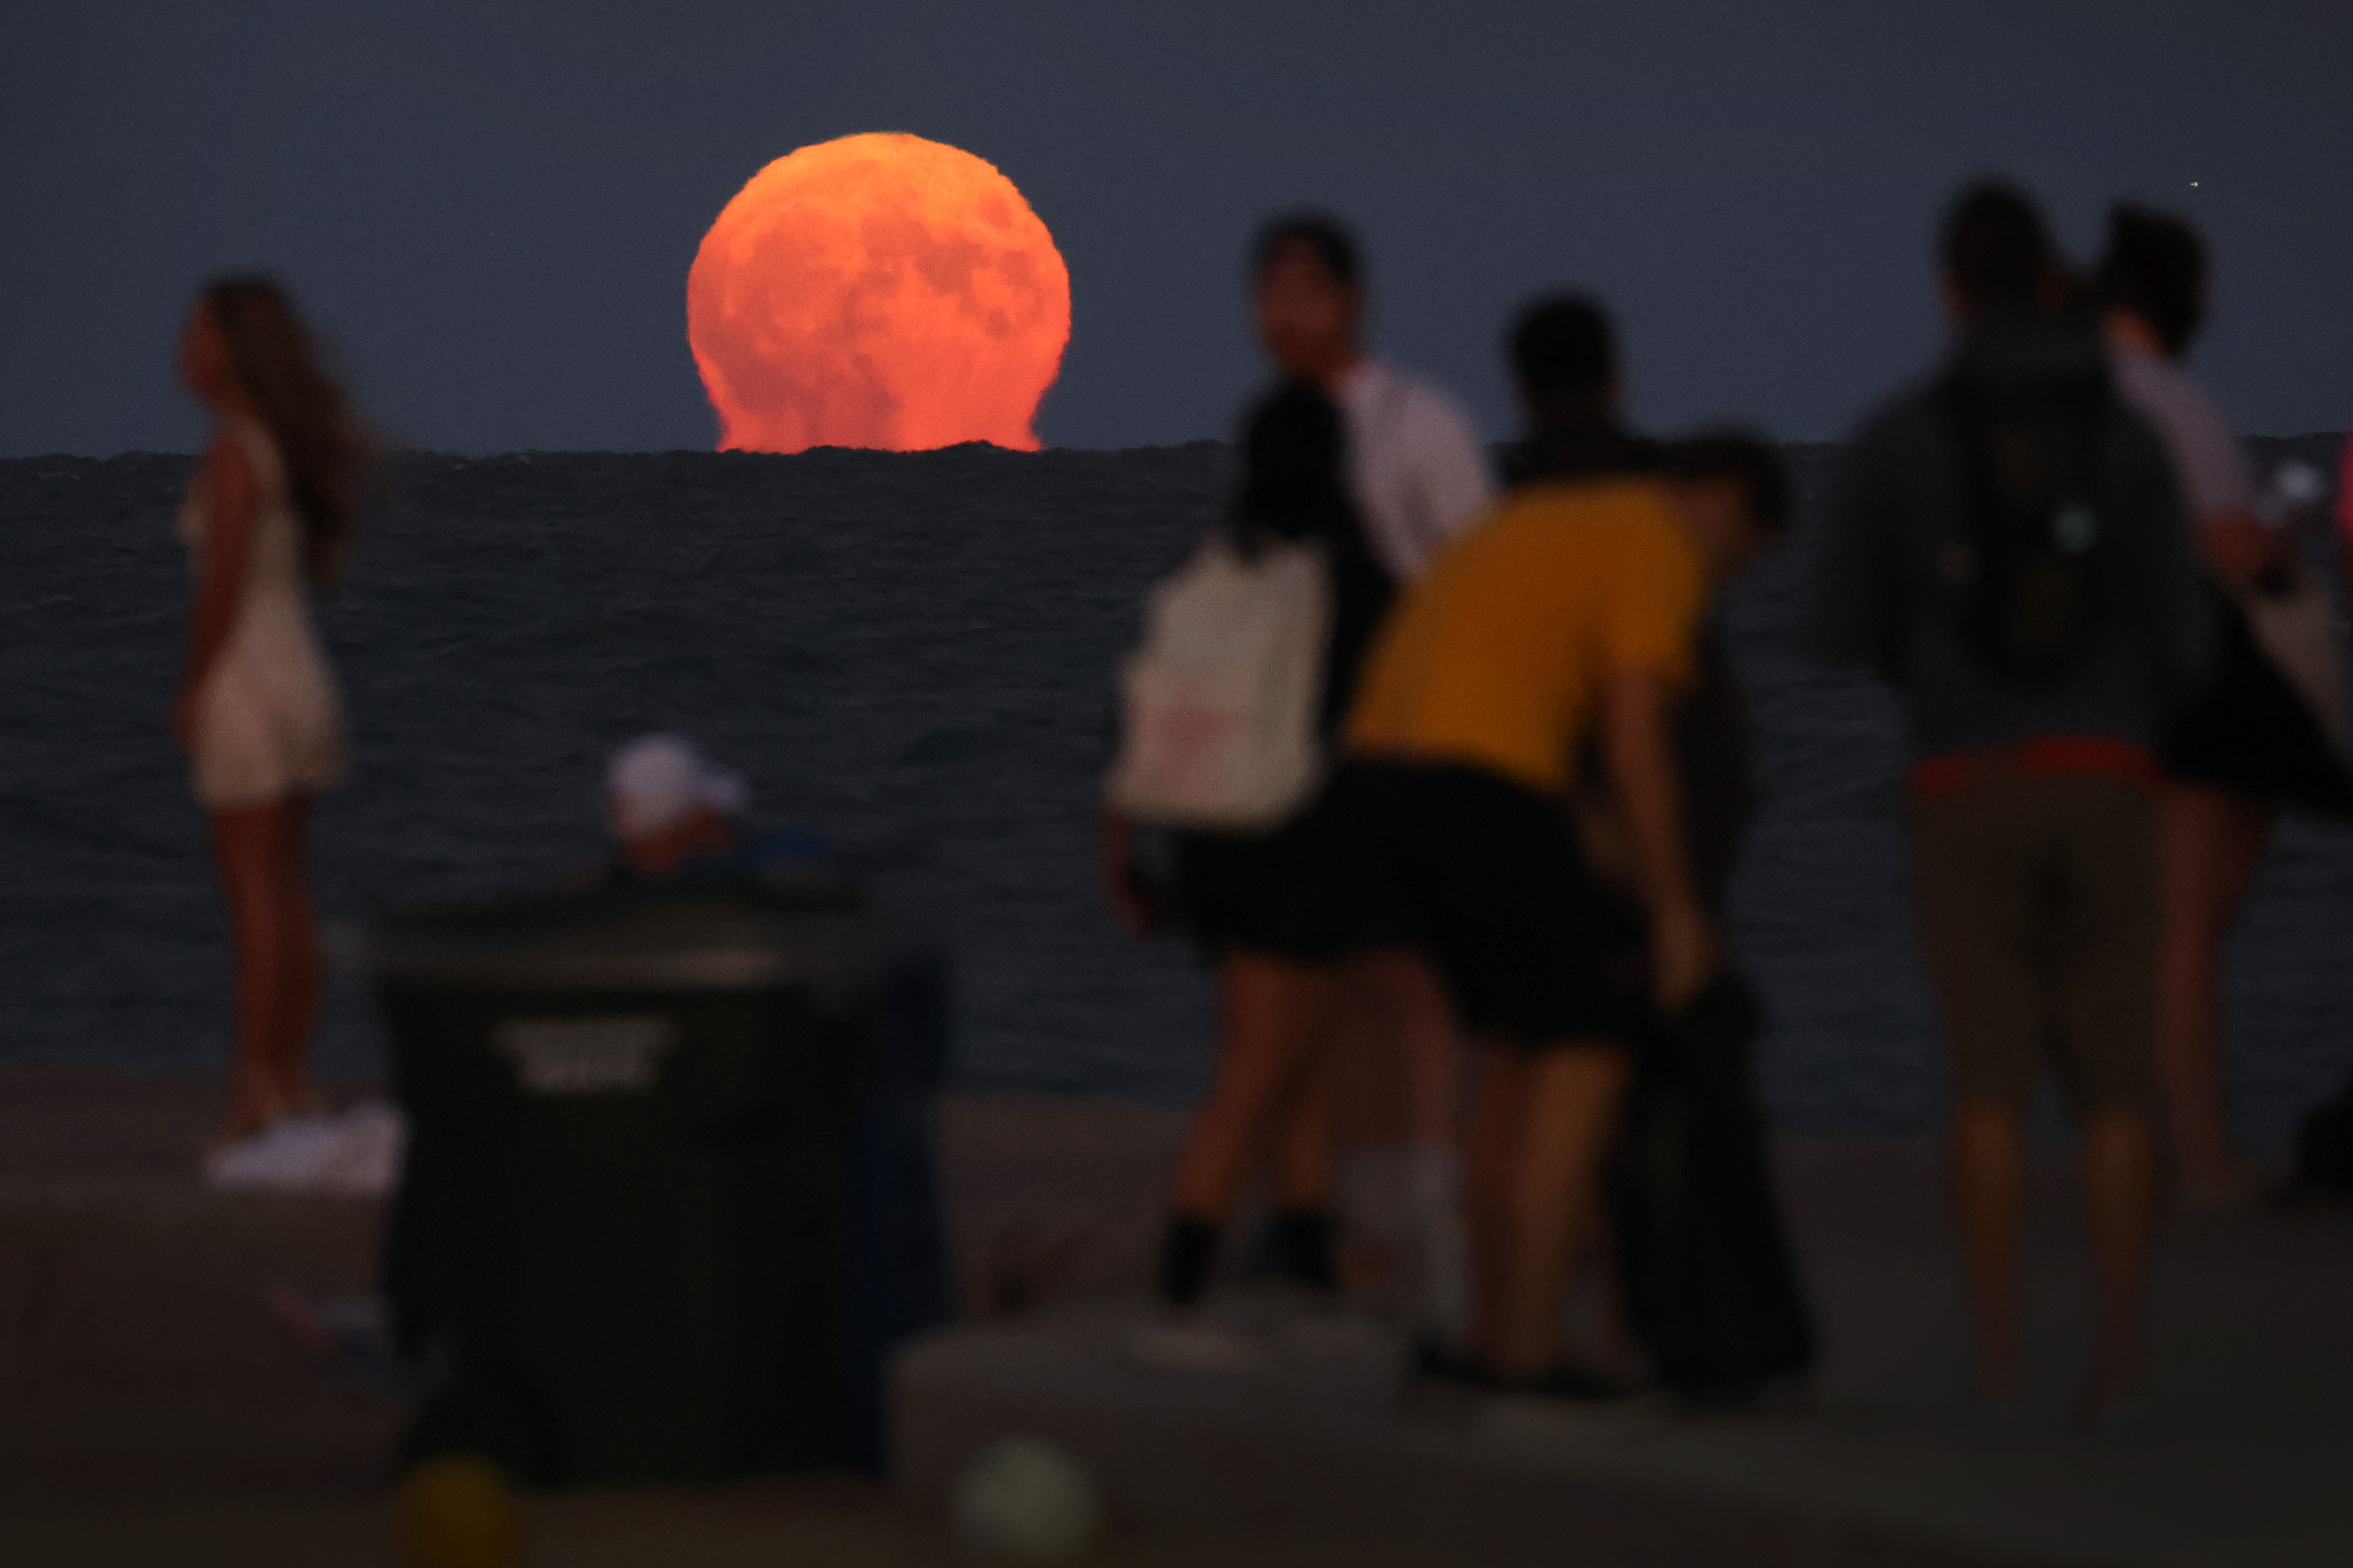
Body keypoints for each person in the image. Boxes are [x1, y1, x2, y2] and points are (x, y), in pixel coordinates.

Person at [1335, 294, 1790, 1390]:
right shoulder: (1655, 537)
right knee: (1585, 1052)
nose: (1727, 577)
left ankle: (1493, 1333)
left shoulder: (1533, 520)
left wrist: (1627, 873)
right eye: (1744, 552)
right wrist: (1681, 914)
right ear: (1723, 504)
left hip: (1379, 777)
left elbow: (1558, 752)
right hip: (1477, 783)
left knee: (1519, 1060)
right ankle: (1531, 1351)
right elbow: (1635, 739)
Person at [1814, 183, 2212, 1424]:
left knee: (1983, 1091)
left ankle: (1996, 1362)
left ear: (1944, 284)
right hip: (2103, 778)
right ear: (2048, 277)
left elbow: (1832, 629)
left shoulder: (1895, 437)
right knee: (2110, 1093)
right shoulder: (2130, 436)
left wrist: (1935, 673)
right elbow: (2189, 642)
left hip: (1960, 781)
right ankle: (2117, 1364)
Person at [1100, 216, 1493, 1323]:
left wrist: (1121, 839)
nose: (1282, 317)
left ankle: (1315, 1239)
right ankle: (1193, 1280)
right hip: (1314, 826)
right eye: (1269, 295)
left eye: (1302, 293)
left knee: (1288, 1050)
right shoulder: (1352, 579)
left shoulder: (1224, 562)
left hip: (1220, 829)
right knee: (1276, 1059)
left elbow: (1144, 699)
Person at [2101, 206, 2348, 1209]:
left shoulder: (2069, 400)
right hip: (2199, 688)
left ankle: (2149, 1142)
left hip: (2101, 689)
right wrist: (2281, 547)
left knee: (2153, 924)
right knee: (2193, 925)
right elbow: (2231, 544)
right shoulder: (2170, 400)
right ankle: (2202, 1156)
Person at [172, 276, 371, 1149]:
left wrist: (191, 686)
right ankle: (288, 1072)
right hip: (300, 672)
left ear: (228, 347)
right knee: (286, 885)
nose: (183, 348)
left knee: (251, 889)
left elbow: (219, 585)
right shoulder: (282, 447)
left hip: (248, 676)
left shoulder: (235, 451)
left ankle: (259, 1079)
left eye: (197, 332)